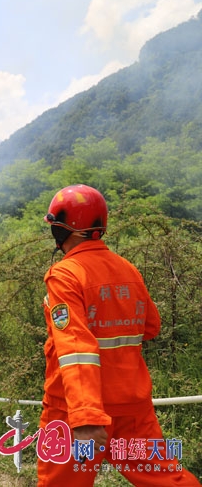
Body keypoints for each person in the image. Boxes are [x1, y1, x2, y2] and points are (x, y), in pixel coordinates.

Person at [39, 184, 200, 486]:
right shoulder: (127, 269)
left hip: (74, 411)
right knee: (167, 480)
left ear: (64, 230)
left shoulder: (65, 274)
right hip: (131, 406)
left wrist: (85, 417)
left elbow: (75, 346)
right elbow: (151, 326)